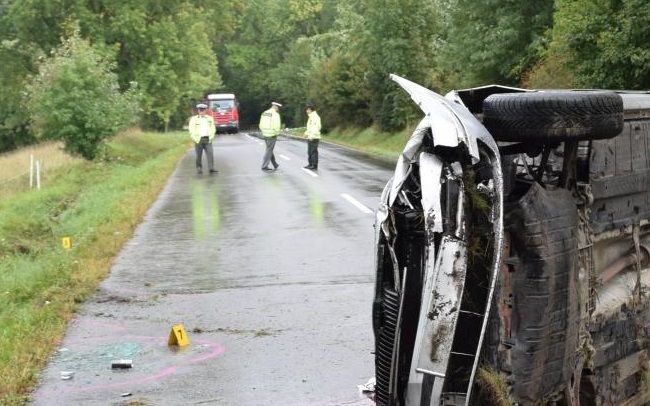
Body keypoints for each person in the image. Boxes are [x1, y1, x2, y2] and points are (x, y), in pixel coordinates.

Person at [189, 103, 217, 175]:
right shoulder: (194, 119)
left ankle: (211, 168)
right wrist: (194, 138)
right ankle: (199, 168)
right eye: (200, 110)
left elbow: (213, 128)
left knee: (210, 153)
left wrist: (212, 136)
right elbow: (191, 130)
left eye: (203, 110)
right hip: (198, 139)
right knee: (199, 155)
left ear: (205, 110)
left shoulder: (210, 118)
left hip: (208, 139)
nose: (201, 111)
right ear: (198, 110)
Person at [259, 101, 282, 171]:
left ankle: (275, 164)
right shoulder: (275, 114)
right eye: (278, 107)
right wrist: (277, 133)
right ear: (275, 106)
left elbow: (260, 124)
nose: (278, 109)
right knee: (269, 150)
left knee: (269, 149)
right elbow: (277, 125)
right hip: (272, 134)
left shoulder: (265, 113)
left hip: (265, 134)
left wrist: (263, 131)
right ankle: (264, 166)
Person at [303, 103, 322, 170]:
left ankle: (314, 165)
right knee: (309, 151)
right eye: (306, 110)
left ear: (311, 110)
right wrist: (306, 133)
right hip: (310, 136)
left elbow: (315, 128)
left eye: (307, 110)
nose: (306, 111)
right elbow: (310, 128)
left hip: (314, 137)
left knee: (313, 152)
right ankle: (310, 164)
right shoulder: (311, 117)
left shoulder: (315, 117)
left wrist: (311, 136)